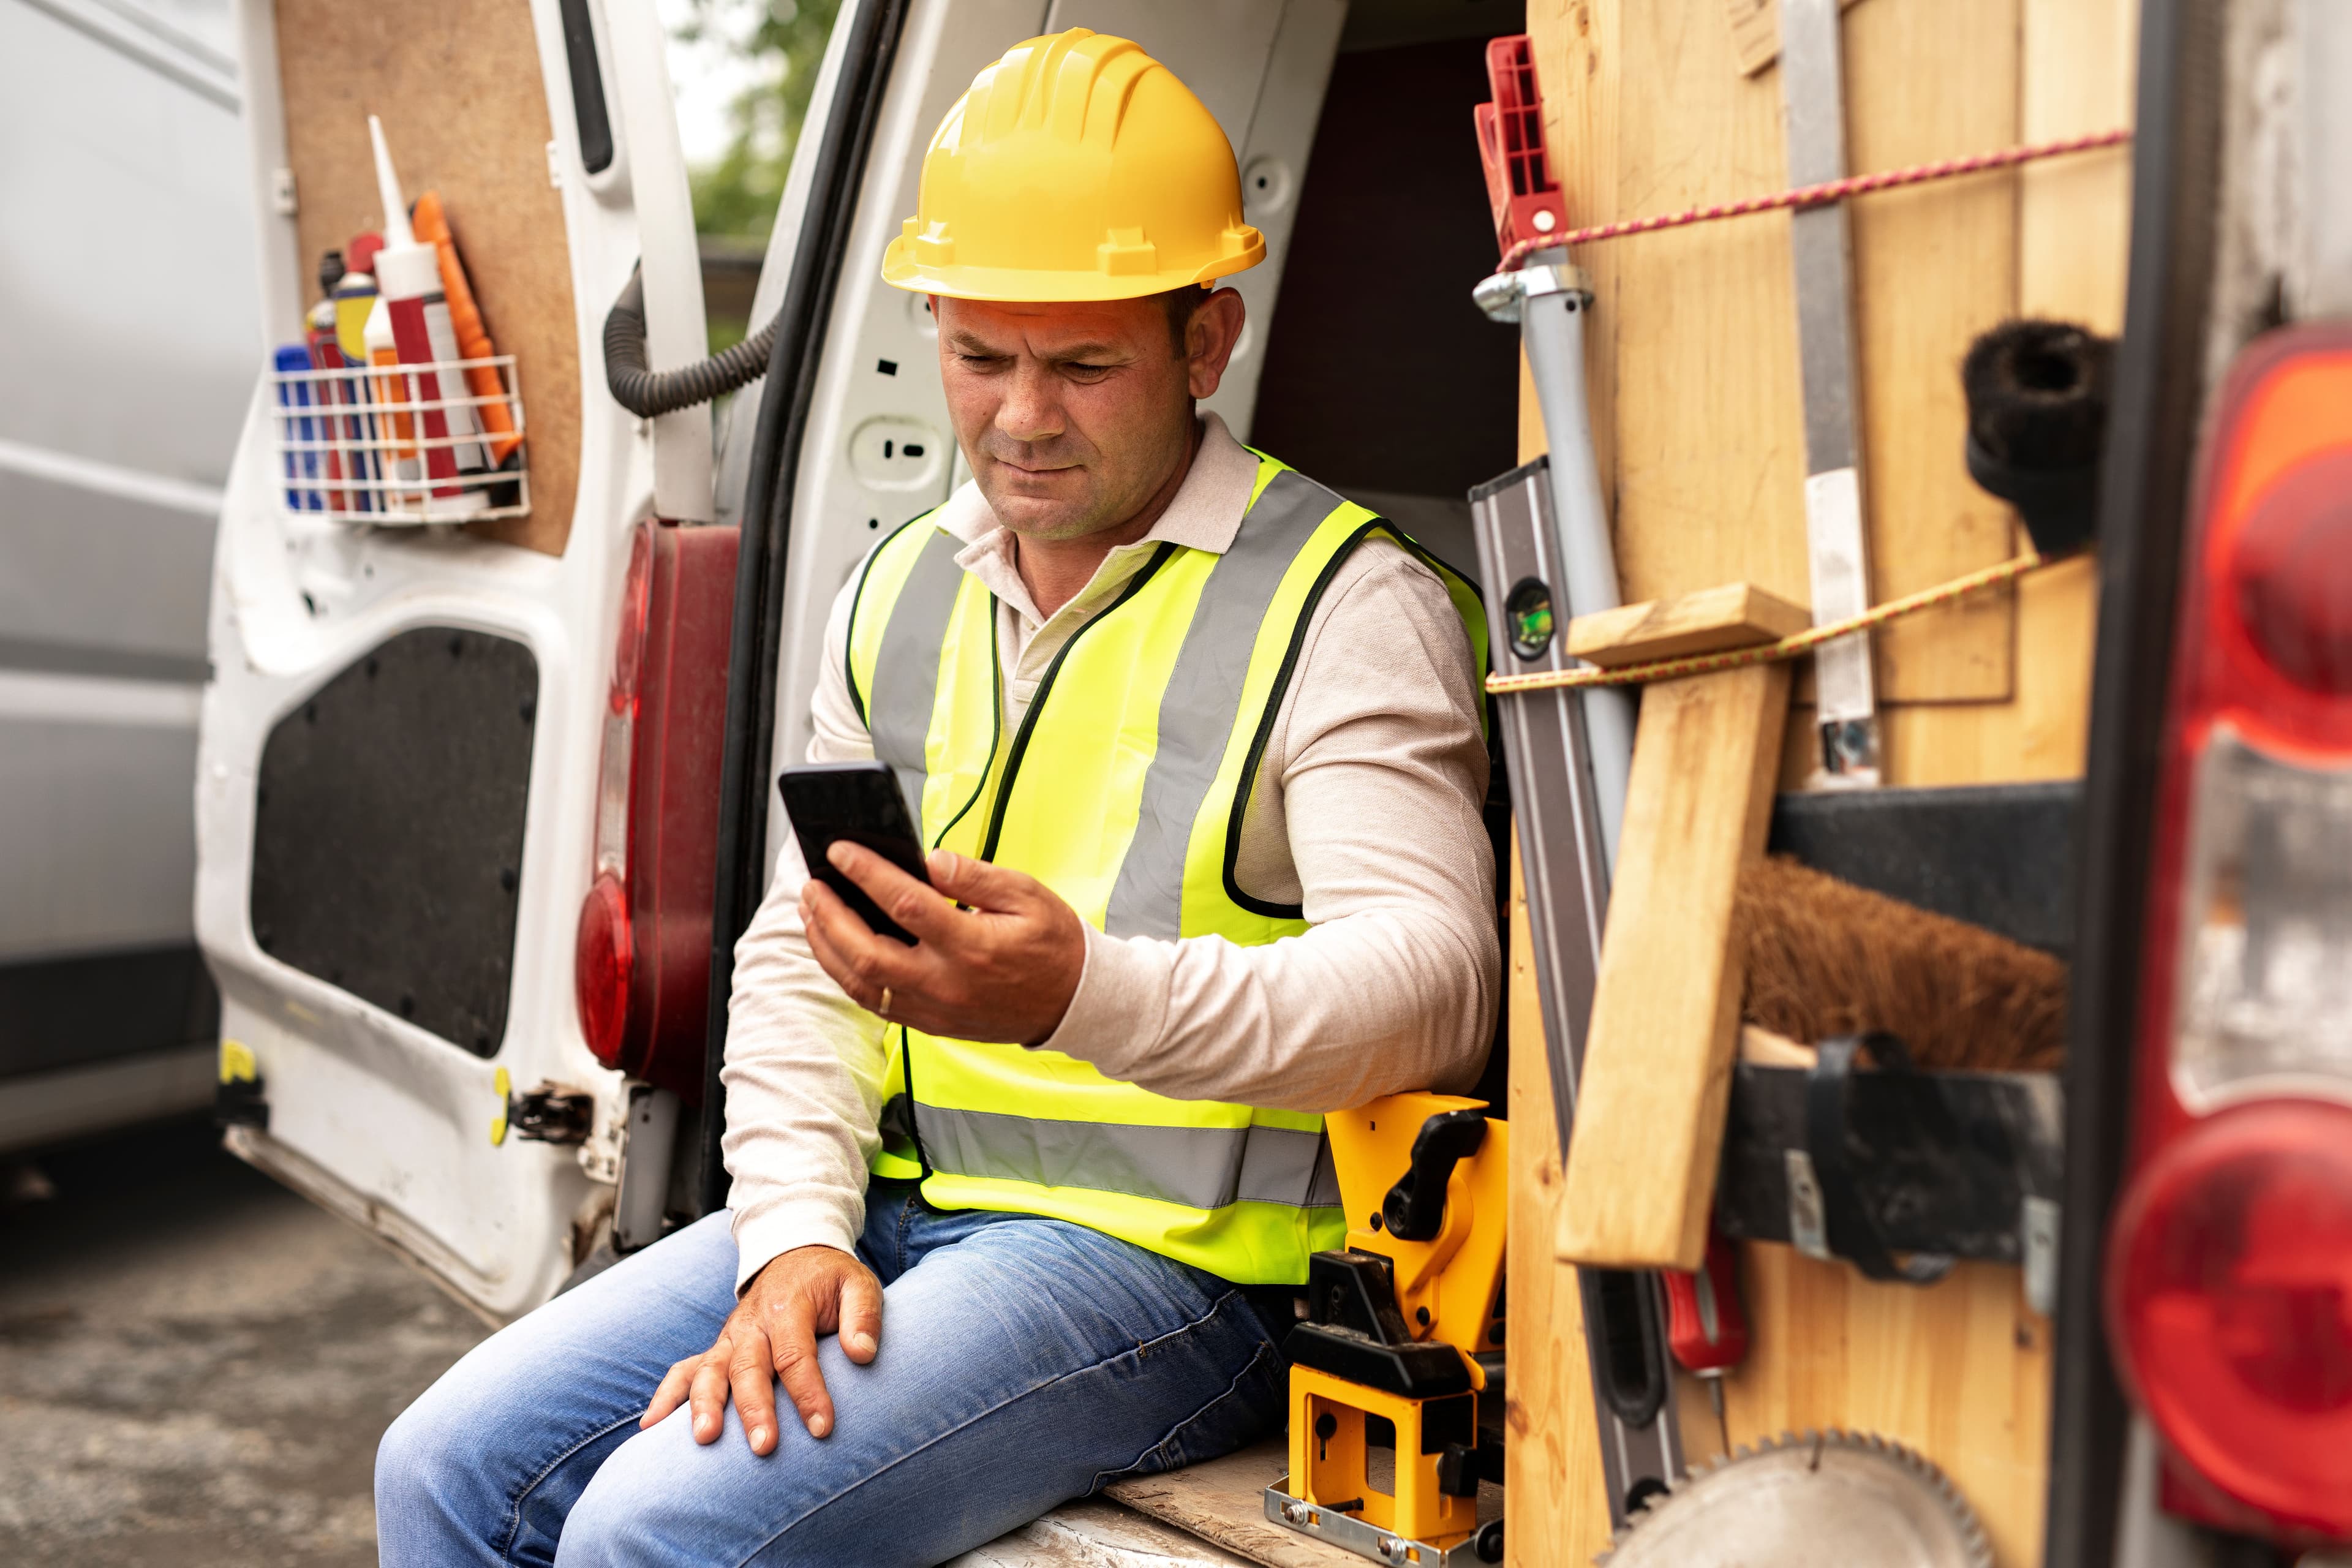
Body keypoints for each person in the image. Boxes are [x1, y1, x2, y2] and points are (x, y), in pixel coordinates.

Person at [375, 27, 1498, 1567]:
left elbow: (1439, 985)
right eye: (981, 355)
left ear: (1206, 337)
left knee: (657, 1530)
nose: (1022, 416)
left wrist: (1077, 993)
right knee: (435, 1466)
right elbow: (798, 951)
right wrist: (795, 1238)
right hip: (903, 1208)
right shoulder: (900, 585)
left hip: (1178, 1274)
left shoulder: (1347, 605)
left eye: (1084, 363)